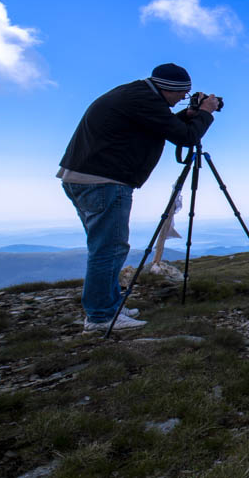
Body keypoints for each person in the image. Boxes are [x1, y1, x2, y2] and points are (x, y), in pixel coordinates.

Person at [58, 63, 219, 332]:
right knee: (109, 249)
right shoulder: (144, 100)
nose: (183, 98)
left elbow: (160, 126)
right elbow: (186, 137)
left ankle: (109, 305)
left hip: (84, 178)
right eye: (182, 93)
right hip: (104, 182)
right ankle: (100, 317)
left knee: (104, 246)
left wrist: (190, 113)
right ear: (169, 88)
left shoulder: (137, 95)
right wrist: (204, 113)